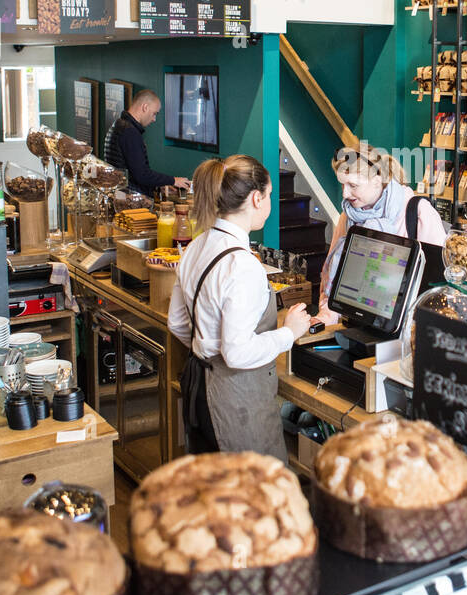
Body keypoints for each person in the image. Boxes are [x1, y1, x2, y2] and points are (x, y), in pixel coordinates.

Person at [168, 155, 314, 459]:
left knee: (217, 491)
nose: (270, 202)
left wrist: (208, 348)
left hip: (198, 386)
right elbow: (237, 354)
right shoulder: (242, 265)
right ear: (256, 198)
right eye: (270, 195)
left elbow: (178, 324)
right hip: (235, 399)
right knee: (255, 494)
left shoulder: (196, 246)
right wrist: (289, 332)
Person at [315, 144, 447, 325]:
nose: (345, 194)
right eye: (342, 185)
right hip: (356, 321)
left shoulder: (417, 213)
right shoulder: (348, 216)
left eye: (353, 185)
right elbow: (333, 275)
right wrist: (327, 314)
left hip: (408, 325)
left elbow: (439, 285)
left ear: (377, 180)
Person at [103, 89, 190, 197]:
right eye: (154, 113)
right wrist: (174, 180)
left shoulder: (118, 125)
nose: (154, 119)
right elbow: (142, 174)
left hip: (119, 195)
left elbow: (132, 172)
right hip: (130, 202)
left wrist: (158, 185)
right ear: (145, 107)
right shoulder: (130, 132)